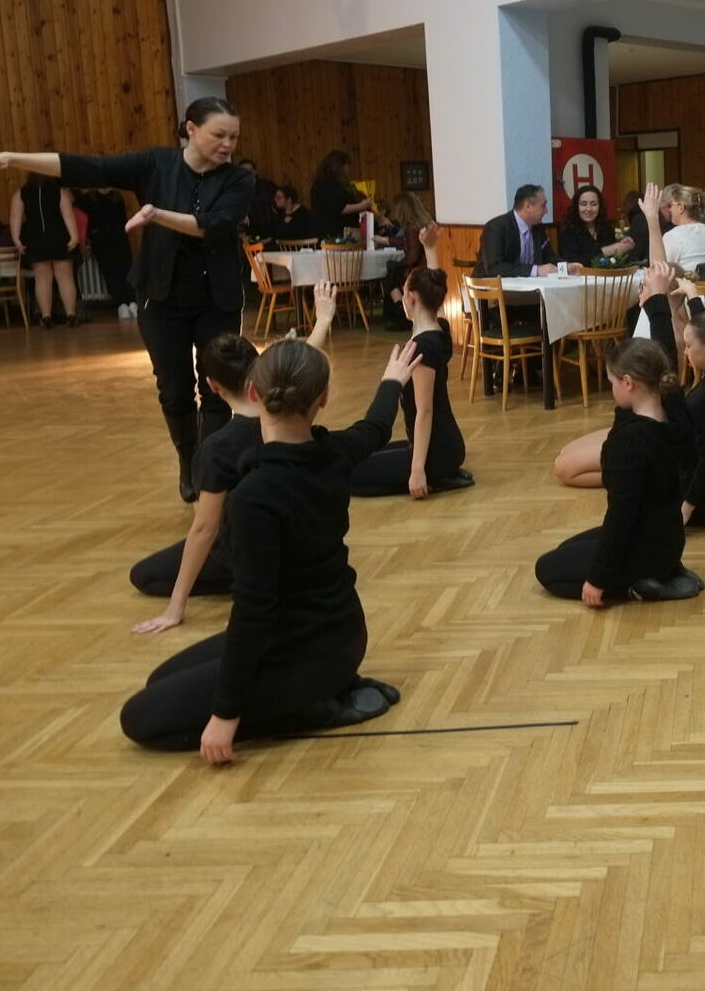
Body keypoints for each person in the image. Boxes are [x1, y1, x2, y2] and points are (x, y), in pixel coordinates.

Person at [119, 338, 420, 760]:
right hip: (341, 637)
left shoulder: (253, 498)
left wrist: (226, 714)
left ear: (254, 393)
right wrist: (392, 381)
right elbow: (376, 427)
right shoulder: (334, 452)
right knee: (160, 679)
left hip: (305, 654)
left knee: (138, 719)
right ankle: (329, 686)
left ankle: (313, 708)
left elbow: (253, 612)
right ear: (324, 398)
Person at [0, 98, 256, 502]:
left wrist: (156, 215)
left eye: (233, 137)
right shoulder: (156, 164)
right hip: (161, 300)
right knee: (175, 391)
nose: (228, 145)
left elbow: (214, 226)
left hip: (217, 299)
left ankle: (211, 471)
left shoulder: (239, 180)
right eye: (219, 135)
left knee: (218, 387)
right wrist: (10, 159)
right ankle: (190, 462)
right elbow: (86, 167)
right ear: (190, 129)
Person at [128, 284, 341, 632]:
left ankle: (257, 576)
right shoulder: (286, 408)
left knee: (143, 575)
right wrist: (323, 319)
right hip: (294, 537)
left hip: (247, 549)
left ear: (212, 385)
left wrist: (175, 607)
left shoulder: (218, 448)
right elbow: (304, 362)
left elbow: (205, 528)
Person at [553, 261, 705, 527]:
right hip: (665, 435)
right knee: (566, 452)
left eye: (689, 346)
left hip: (677, 463)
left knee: (564, 468)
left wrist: (685, 510)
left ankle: (636, 477)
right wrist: (693, 297)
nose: (686, 350)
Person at [533, 334, 705, 605]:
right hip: (668, 540)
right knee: (566, 549)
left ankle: (637, 586)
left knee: (545, 568)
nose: (611, 390)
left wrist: (597, 578)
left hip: (644, 548)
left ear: (628, 383)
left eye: (612, 382)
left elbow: (621, 516)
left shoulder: (630, 441)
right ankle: (667, 571)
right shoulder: (674, 408)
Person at [350, 267, 473, 498]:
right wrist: (430, 252)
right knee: (356, 457)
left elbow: (425, 411)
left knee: (351, 475)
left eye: (404, 291)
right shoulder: (441, 329)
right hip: (446, 446)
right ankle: (441, 476)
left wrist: (417, 470)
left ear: (412, 296)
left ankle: (435, 478)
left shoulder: (422, 347)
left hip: (436, 453)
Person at [11, 169, 82, 329]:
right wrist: (74, 237)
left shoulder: (21, 193)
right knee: (65, 277)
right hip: (59, 238)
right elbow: (68, 215)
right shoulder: (60, 192)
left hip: (35, 239)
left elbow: (15, 216)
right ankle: (71, 315)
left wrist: (17, 240)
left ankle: (46, 316)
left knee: (42, 279)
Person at [74, 185, 138, 319]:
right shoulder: (88, 199)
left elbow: (122, 219)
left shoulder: (117, 197)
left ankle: (132, 301)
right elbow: (81, 219)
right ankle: (121, 303)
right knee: (110, 272)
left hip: (119, 239)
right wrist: (88, 237)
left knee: (126, 269)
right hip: (101, 241)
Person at [477, 184, 559, 277]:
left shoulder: (538, 228)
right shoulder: (496, 227)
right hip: (488, 284)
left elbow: (549, 257)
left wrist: (565, 266)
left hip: (527, 284)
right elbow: (494, 268)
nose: (546, 211)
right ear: (528, 207)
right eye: (543, 206)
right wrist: (536, 270)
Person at [558, 185, 633, 266]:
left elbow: (612, 260)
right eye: (584, 204)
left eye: (594, 204)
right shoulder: (567, 231)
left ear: (600, 207)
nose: (589, 209)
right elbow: (573, 262)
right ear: (577, 207)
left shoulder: (606, 229)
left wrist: (621, 246)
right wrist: (606, 250)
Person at [310, 150, 372, 238]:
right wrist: (362, 205)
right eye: (347, 165)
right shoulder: (330, 183)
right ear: (341, 165)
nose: (348, 170)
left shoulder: (320, 183)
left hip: (324, 231)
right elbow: (340, 208)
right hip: (333, 233)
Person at [661, 184, 705, 270]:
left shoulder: (673, 236)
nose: (669, 209)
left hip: (687, 279)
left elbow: (661, 269)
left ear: (681, 207)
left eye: (670, 205)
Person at [238, 158, 278, 238]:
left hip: (272, 228)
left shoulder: (268, 185)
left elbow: (282, 201)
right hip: (251, 231)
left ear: (255, 171)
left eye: (250, 170)